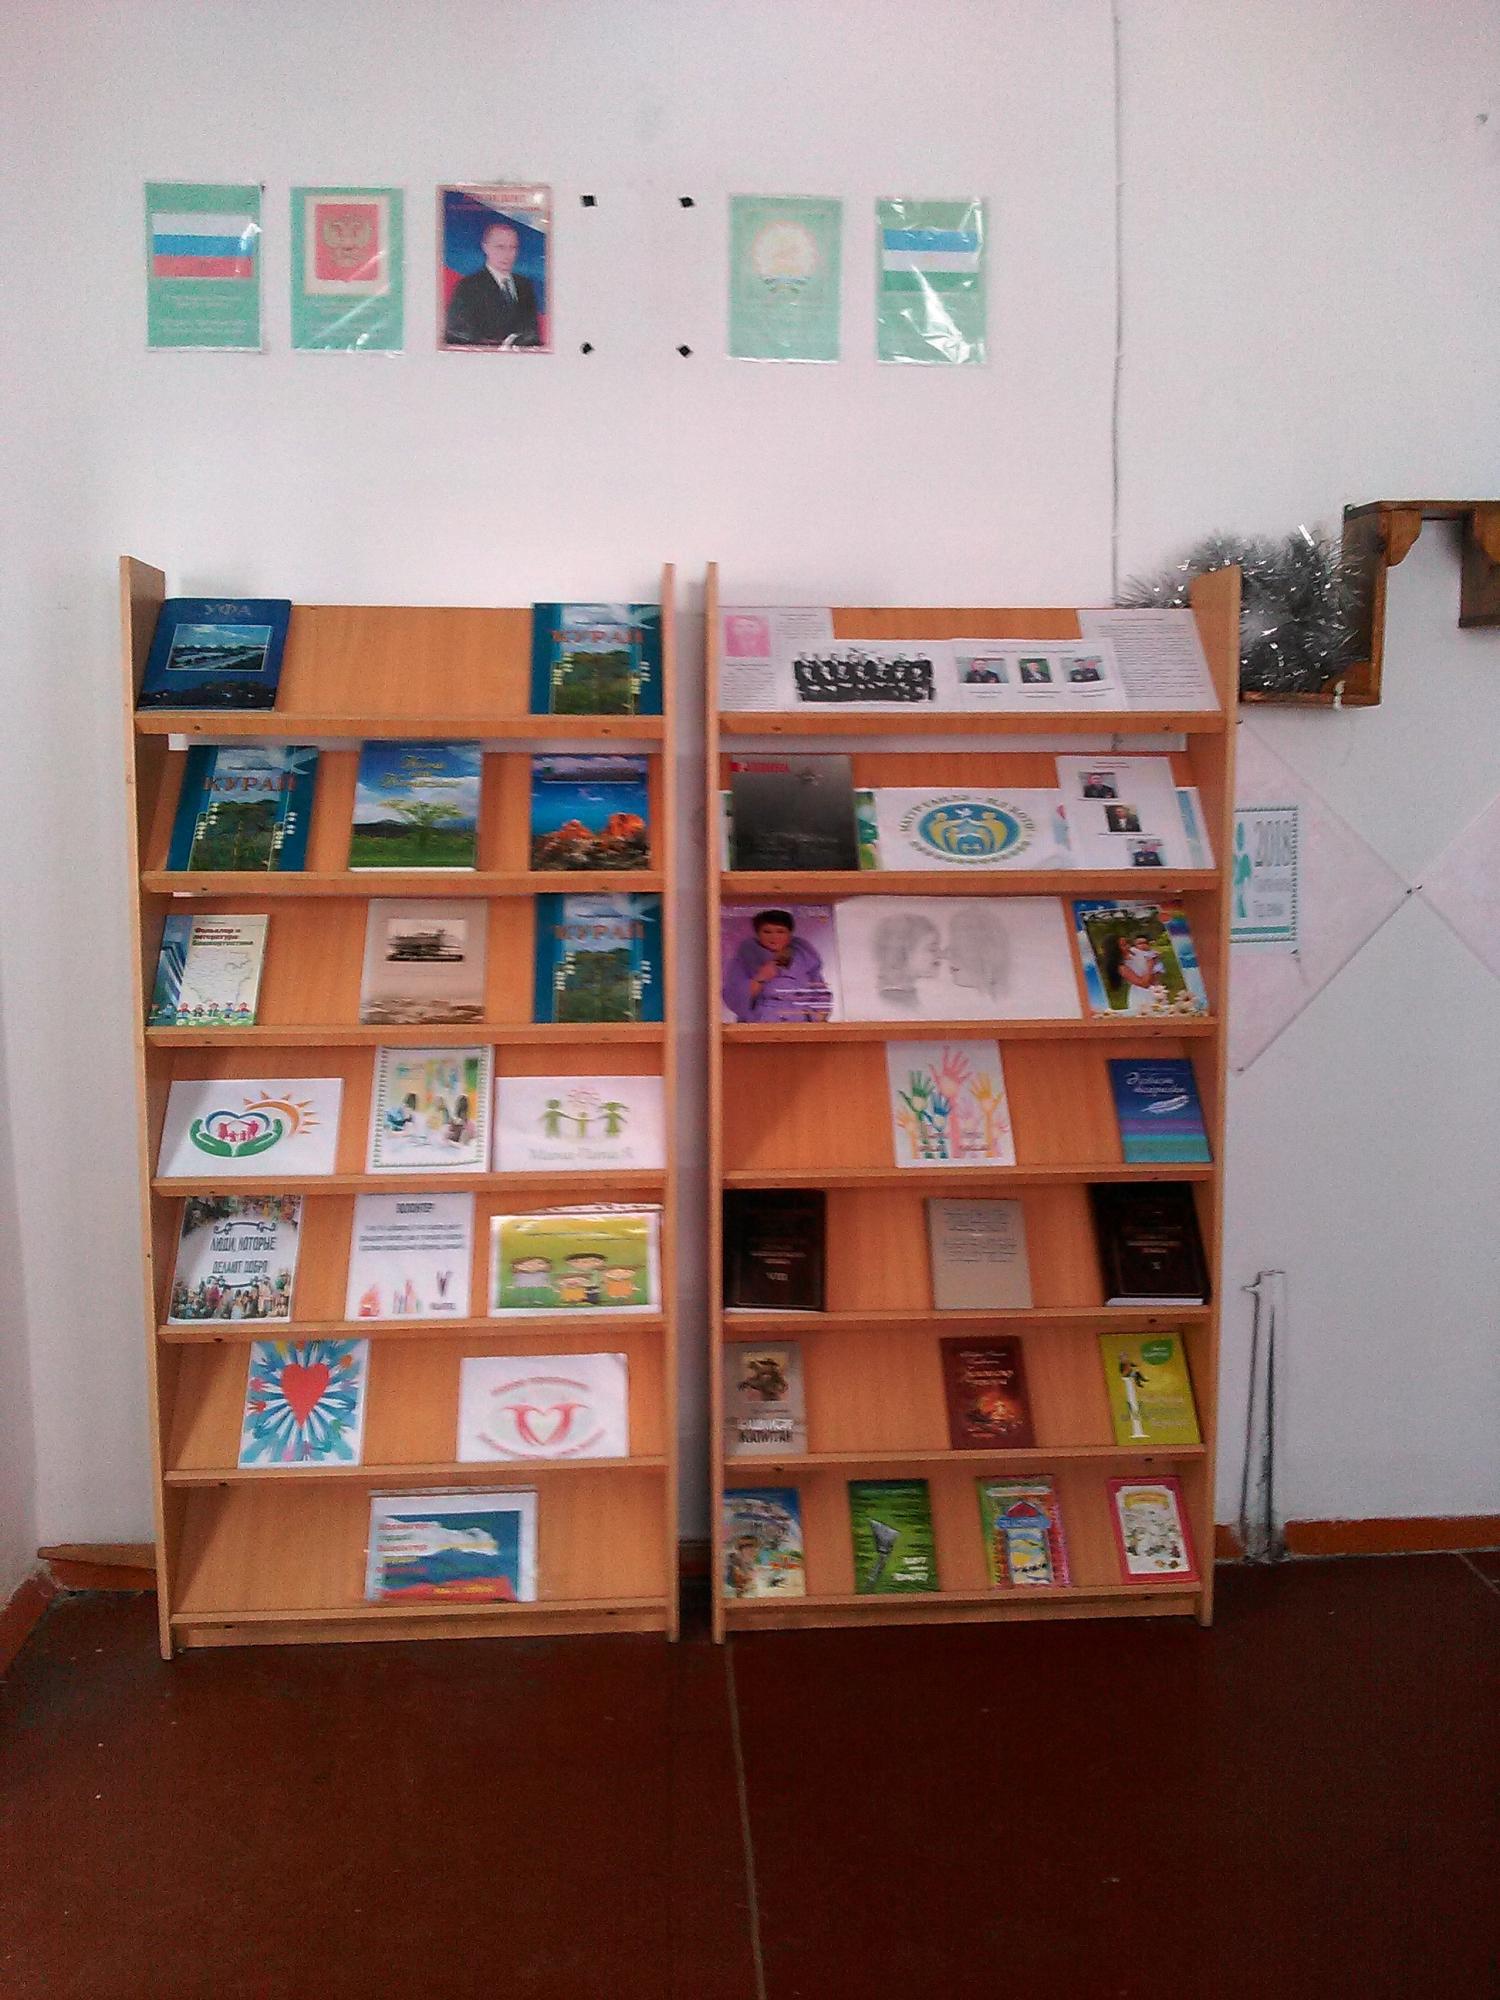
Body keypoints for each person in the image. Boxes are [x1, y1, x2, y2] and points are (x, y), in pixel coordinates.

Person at [444, 219, 541, 347]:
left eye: (513, 248)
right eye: (500, 247)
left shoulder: (525, 285)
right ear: (485, 247)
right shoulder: (468, 287)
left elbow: (533, 332)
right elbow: (456, 333)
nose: (507, 254)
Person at [722, 908, 831, 1022]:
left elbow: (821, 992)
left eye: (780, 931)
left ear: (790, 934)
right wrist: (760, 978)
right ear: (758, 934)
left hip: (800, 1021)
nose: (774, 937)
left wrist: (817, 1017)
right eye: (767, 932)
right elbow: (733, 995)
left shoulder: (805, 958)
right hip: (762, 1021)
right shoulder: (746, 958)